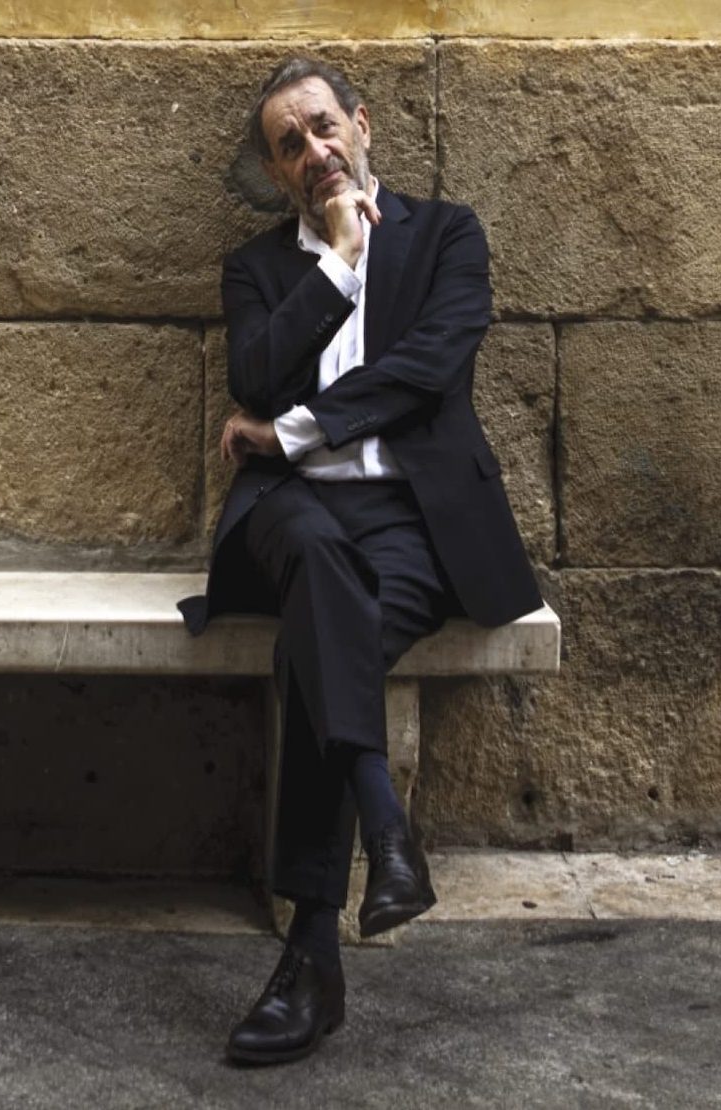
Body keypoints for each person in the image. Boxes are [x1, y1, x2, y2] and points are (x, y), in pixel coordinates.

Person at [178, 57, 543, 1065]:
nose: (314, 151)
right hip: (291, 512)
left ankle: (311, 955)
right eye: (288, 144)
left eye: (324, 126)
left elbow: (428, 371)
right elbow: (254, 372)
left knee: (322, 638)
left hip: (412, 521)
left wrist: (290, 432)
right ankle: (384, 831)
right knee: (311, 559)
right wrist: (337, 263)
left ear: (363, 124)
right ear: (274, 169)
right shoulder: (258, 269)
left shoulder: (446, 236)